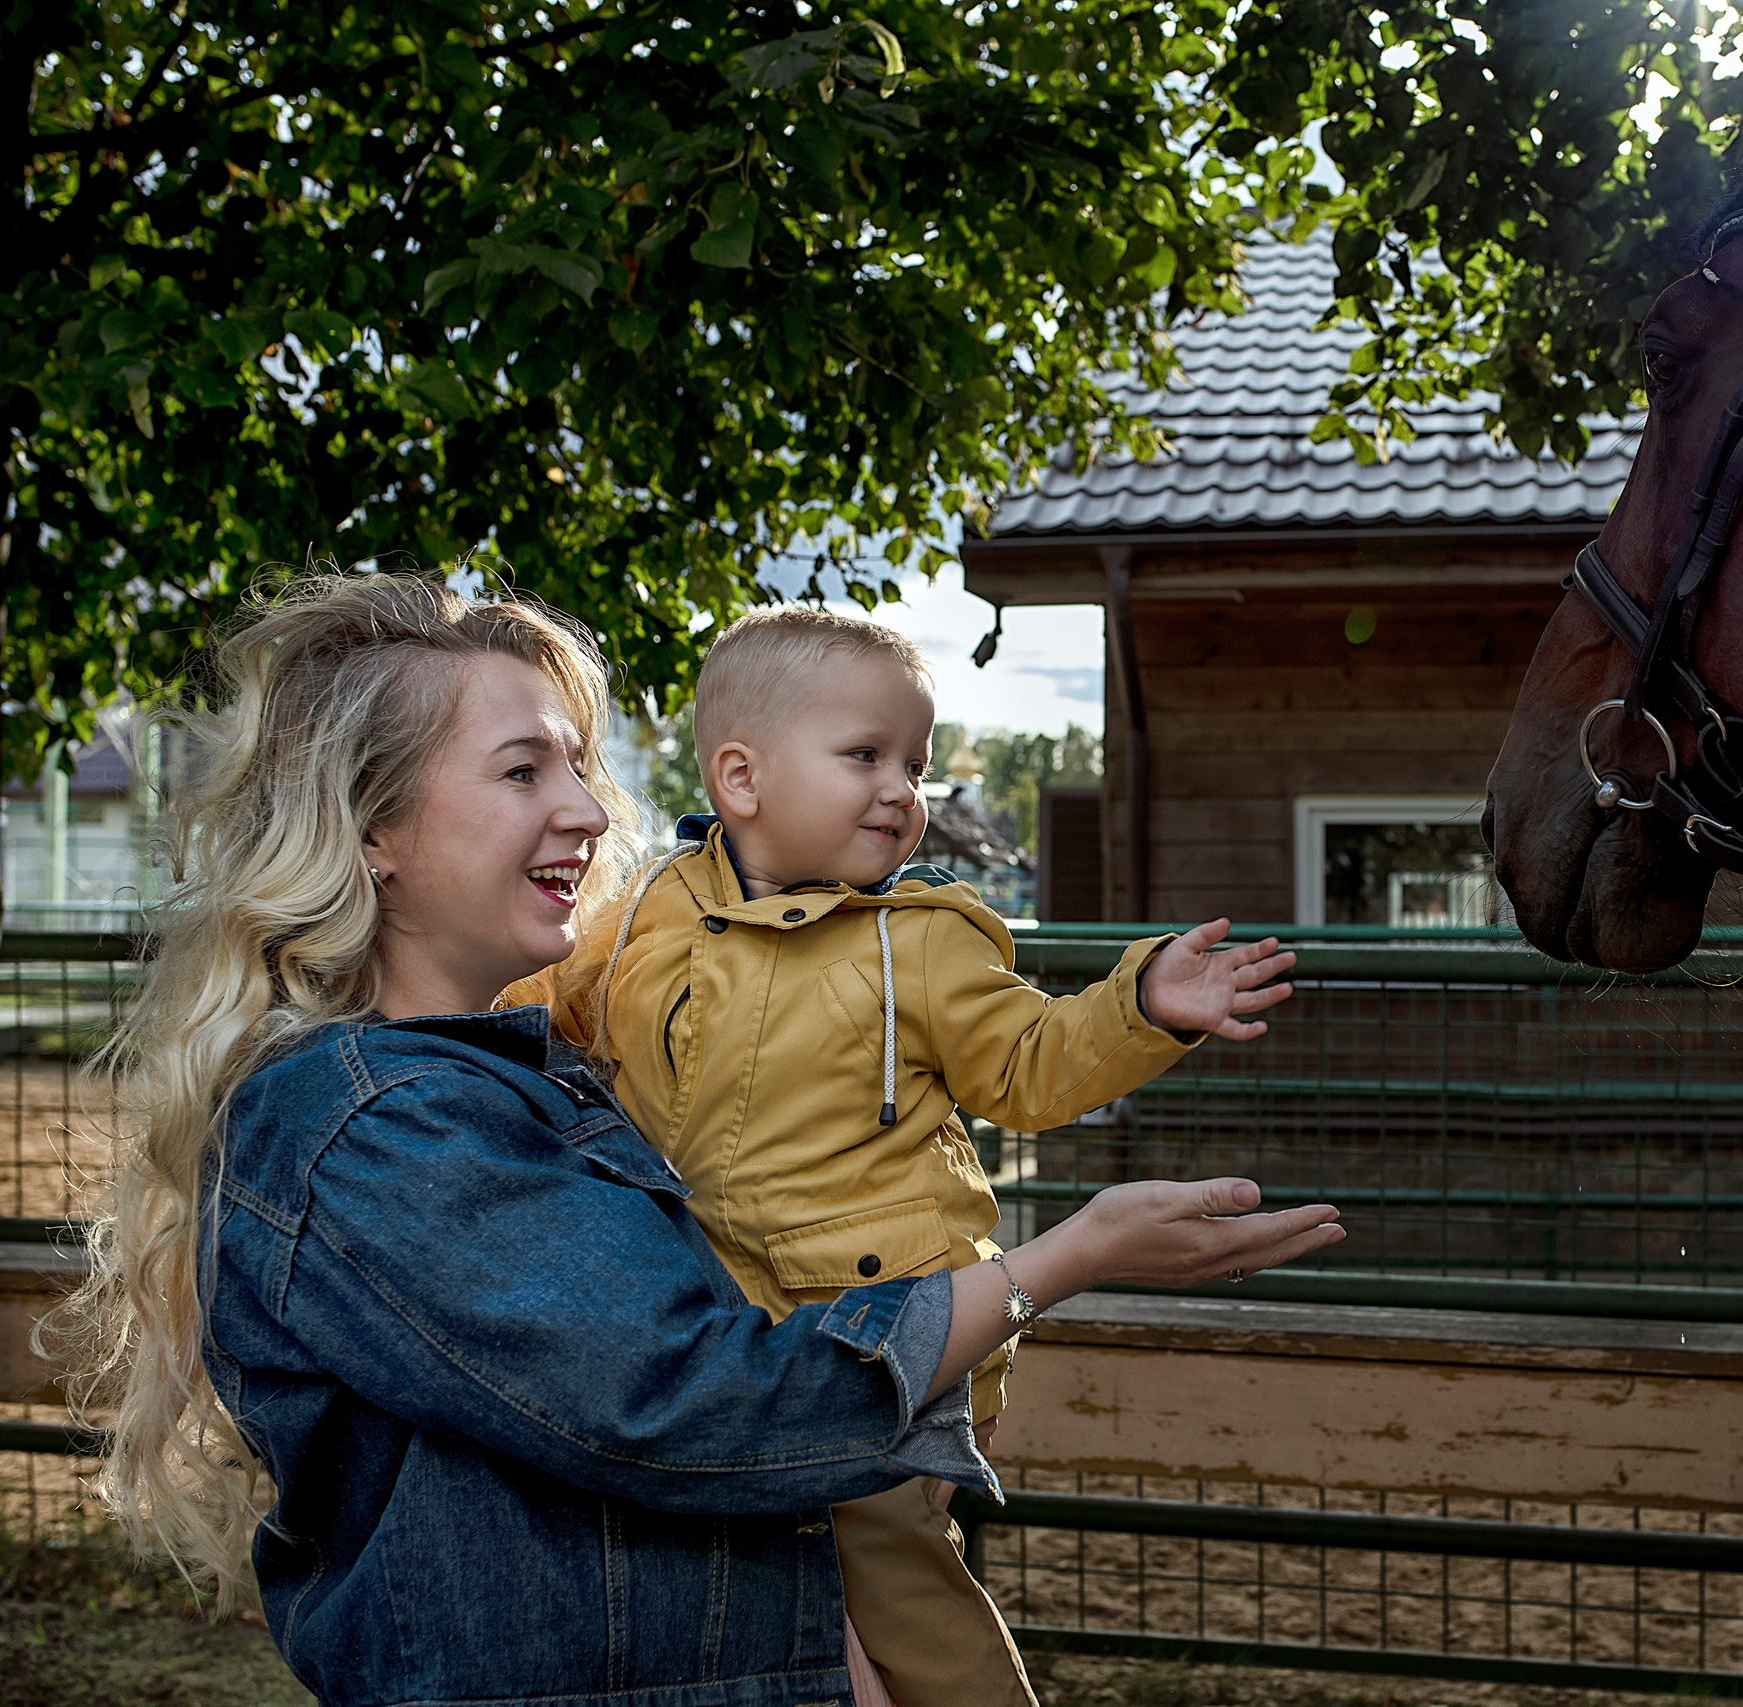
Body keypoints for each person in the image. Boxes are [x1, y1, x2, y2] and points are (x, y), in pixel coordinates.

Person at [51, 574, 1345, 1707]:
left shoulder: (537, 1068)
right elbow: (684, 1401)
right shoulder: (383, 1125)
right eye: (522, 771)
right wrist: (1057, 1263)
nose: (586, 810)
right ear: (372, 828)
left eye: (577, 766)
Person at [507, 604, 1297, 1707]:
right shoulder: (645, 913)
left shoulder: (921, 941)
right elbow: (550, 1019)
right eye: (865, 756)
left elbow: (1030, 1066)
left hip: (876, 1337)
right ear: (740, 778)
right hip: (699, 1324)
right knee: (726, 1580)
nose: (901, 791)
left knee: (893, 1578)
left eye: (915, 765)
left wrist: (1141, 1007)